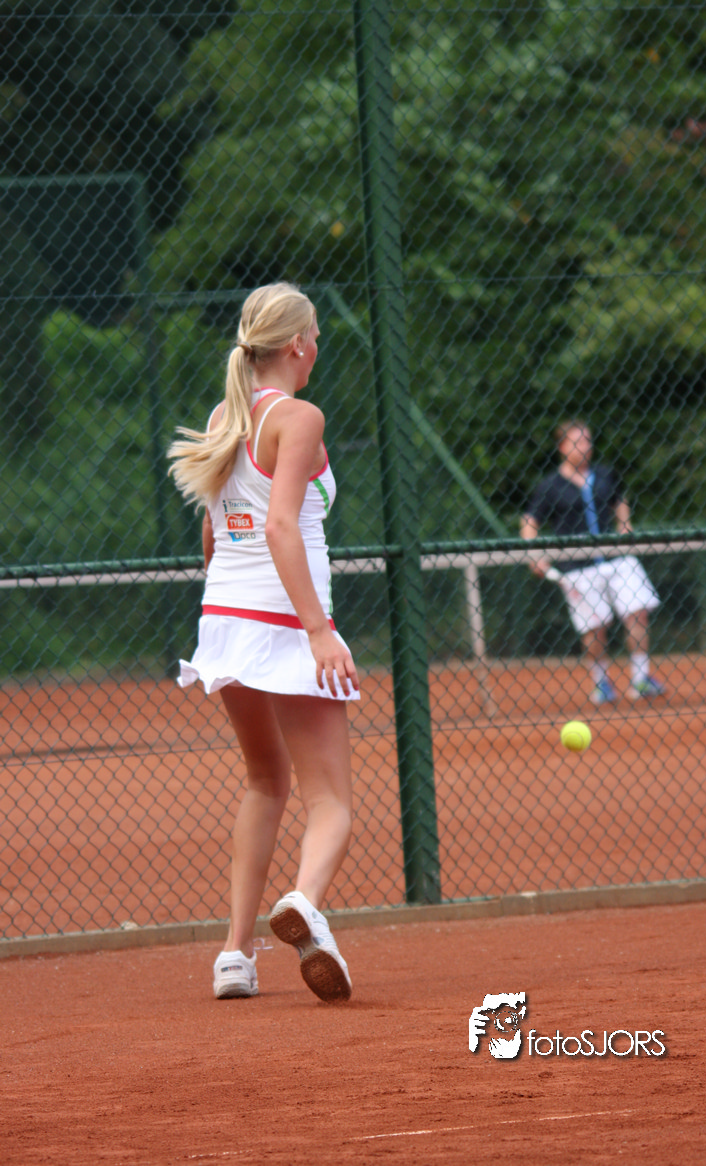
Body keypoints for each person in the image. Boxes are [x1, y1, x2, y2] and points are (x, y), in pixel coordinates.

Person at [167, 282, 359, 1004]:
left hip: (224, 619)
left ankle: (233, 956)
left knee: (264, 782)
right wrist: (318, 631)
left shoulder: (227, 414)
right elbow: (281, 526)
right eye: (316, 339)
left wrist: (233, 613)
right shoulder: (299, 417)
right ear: (296, 344)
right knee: (330, 801)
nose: (318, 350)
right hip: (283, 624)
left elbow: (214, 529)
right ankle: (304, 904)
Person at [521, 419, 664, 705]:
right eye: (577, 442)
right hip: (578, 567)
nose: (585, 447)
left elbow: (619, 500)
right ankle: (601, 683)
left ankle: (640, 678)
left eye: (587, 440)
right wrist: (533, 553)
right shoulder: (550, 486)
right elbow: (529, 520)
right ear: (562, 447)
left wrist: (625, 525)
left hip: (617, 558)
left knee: (637, 611)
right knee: (594, 628)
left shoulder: (604, 474)